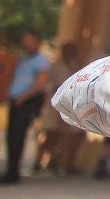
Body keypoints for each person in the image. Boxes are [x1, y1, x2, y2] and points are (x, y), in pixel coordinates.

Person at [0, 31, 51, 185]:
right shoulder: (24, 59)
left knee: (18, 136)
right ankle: (10, 169)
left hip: (27, 102)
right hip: (16, 100)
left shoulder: (41, 61)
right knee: (11, 136)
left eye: (28, 40)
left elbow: (40, 82)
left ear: (36, 42)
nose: (25, 43)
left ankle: (13, 173)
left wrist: (24, 97)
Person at [36, 41, 87, 176]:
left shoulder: (77, 66)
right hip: (55, 104)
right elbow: (50, 85)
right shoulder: (56, 66)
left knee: (73, 136)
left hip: (72, 105)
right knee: (52, 134)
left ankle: (66, 163)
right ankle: (41, 161)